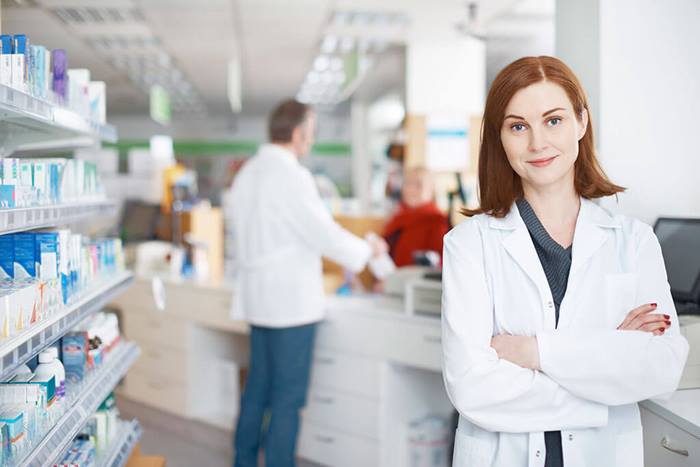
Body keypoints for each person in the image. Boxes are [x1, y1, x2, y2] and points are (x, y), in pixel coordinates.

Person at [441, 56, 689, 467]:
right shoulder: (469, 244)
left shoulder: (633, 241)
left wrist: (536, 352)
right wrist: (607, 369)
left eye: (553, 120)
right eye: (518, 126)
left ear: (581, 122)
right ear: (500, 139)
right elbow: (472, 387)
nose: (537, 143)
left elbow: (661, 368)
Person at [229, 99, 386, 467]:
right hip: (289, 306)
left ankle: (243, 462)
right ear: (298, 133)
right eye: (311, 133)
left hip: (257, 300)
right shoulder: (292, 176)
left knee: (257, 392)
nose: (311, 141)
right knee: (287, 400)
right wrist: (368, 251)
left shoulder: (248, 173)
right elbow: (323, 234)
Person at [383, 167, 449, 267]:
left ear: (431, 190)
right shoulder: (398, 217)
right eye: (408, 183)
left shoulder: (437, 221)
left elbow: (440, 264)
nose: (410, 189)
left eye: (419, 185)